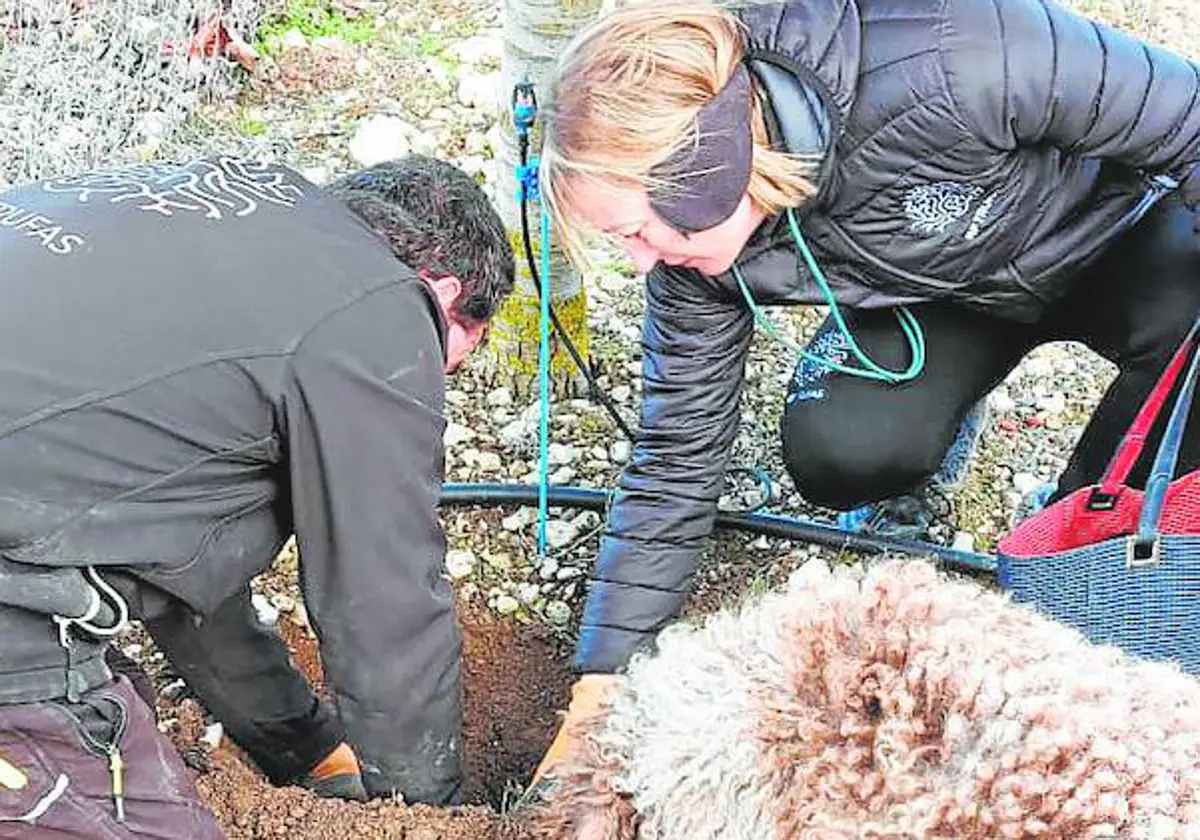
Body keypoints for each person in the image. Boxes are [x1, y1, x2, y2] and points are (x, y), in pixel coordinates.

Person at [529, 0, 1200, 781]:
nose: (640, 261)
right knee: (842, 446)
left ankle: (1080, 545)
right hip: (943, 294)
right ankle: (933, 459)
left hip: (1113, 237)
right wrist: (603, 687)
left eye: (635, 231)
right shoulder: (695, 265)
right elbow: (676, 459)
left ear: (705, 180)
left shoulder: (957, 52)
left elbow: (1188, 114)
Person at [0, 153, 514, 836]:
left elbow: (177, 565)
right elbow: (385, 604)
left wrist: (304, 746)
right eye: (458, 353)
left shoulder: (230, 218)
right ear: (443, 294)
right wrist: (426, 818)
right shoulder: (375, 306)